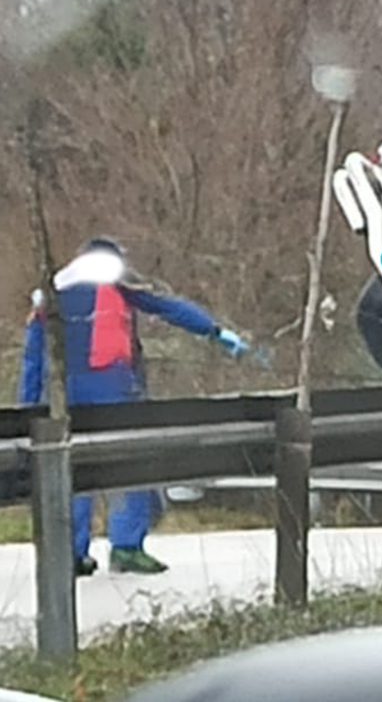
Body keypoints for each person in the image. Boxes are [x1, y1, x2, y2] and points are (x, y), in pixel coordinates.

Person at [18, 237, 249, 576]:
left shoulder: (50, 293)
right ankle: (125, 547)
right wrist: (215, 332)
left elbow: (32, 357)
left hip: (62, 397)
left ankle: (71, 553)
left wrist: (28, 406)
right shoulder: (117, 285)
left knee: (71, 471)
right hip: (114, 391)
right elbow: (169, 307)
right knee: (131, 465)